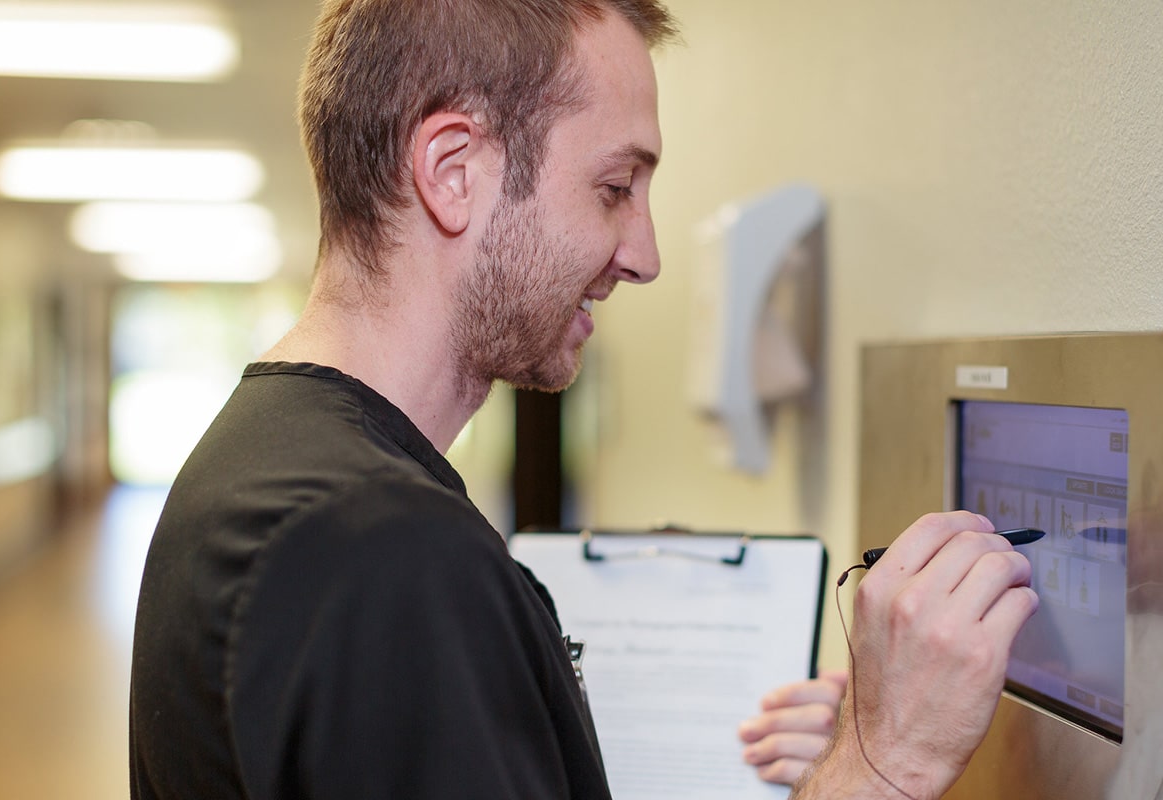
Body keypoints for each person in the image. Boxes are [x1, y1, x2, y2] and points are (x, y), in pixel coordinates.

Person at [128, 1, 1040, 798]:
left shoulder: (254, 463)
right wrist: (886, 762)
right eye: (614, 188)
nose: (644, 255)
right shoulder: (384, 549)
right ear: (452, 171)